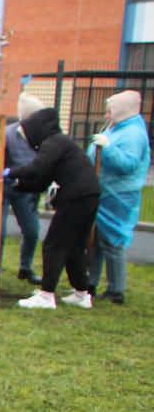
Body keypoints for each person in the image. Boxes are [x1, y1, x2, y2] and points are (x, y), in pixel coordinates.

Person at [9, 104, 101, 309]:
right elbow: (42, 179)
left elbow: (37, 168)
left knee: (54, 244)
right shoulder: (60, 143)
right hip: (88, 195)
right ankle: (82, 293)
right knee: (74, 246)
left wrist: (12, 172)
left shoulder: (53, 142)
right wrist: (19, 185)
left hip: (76, 197)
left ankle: (46, 294)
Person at [86, 90, 149, 305]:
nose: (106, 115)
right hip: (105, 193)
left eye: (109, 110)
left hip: (119, 197)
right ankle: (91, 282)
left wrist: (108, 148)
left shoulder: (133, 134)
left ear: (121, 110)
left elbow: (127, 165)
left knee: (113, 242)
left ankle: (116, 290)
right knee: (96, 240)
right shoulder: (117, 128)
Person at [0, 93, 46, 286]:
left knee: (32, 230)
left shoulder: (42, 137)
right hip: (4, 187)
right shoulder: (8, 134)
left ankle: (25, 267)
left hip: (26, 189)